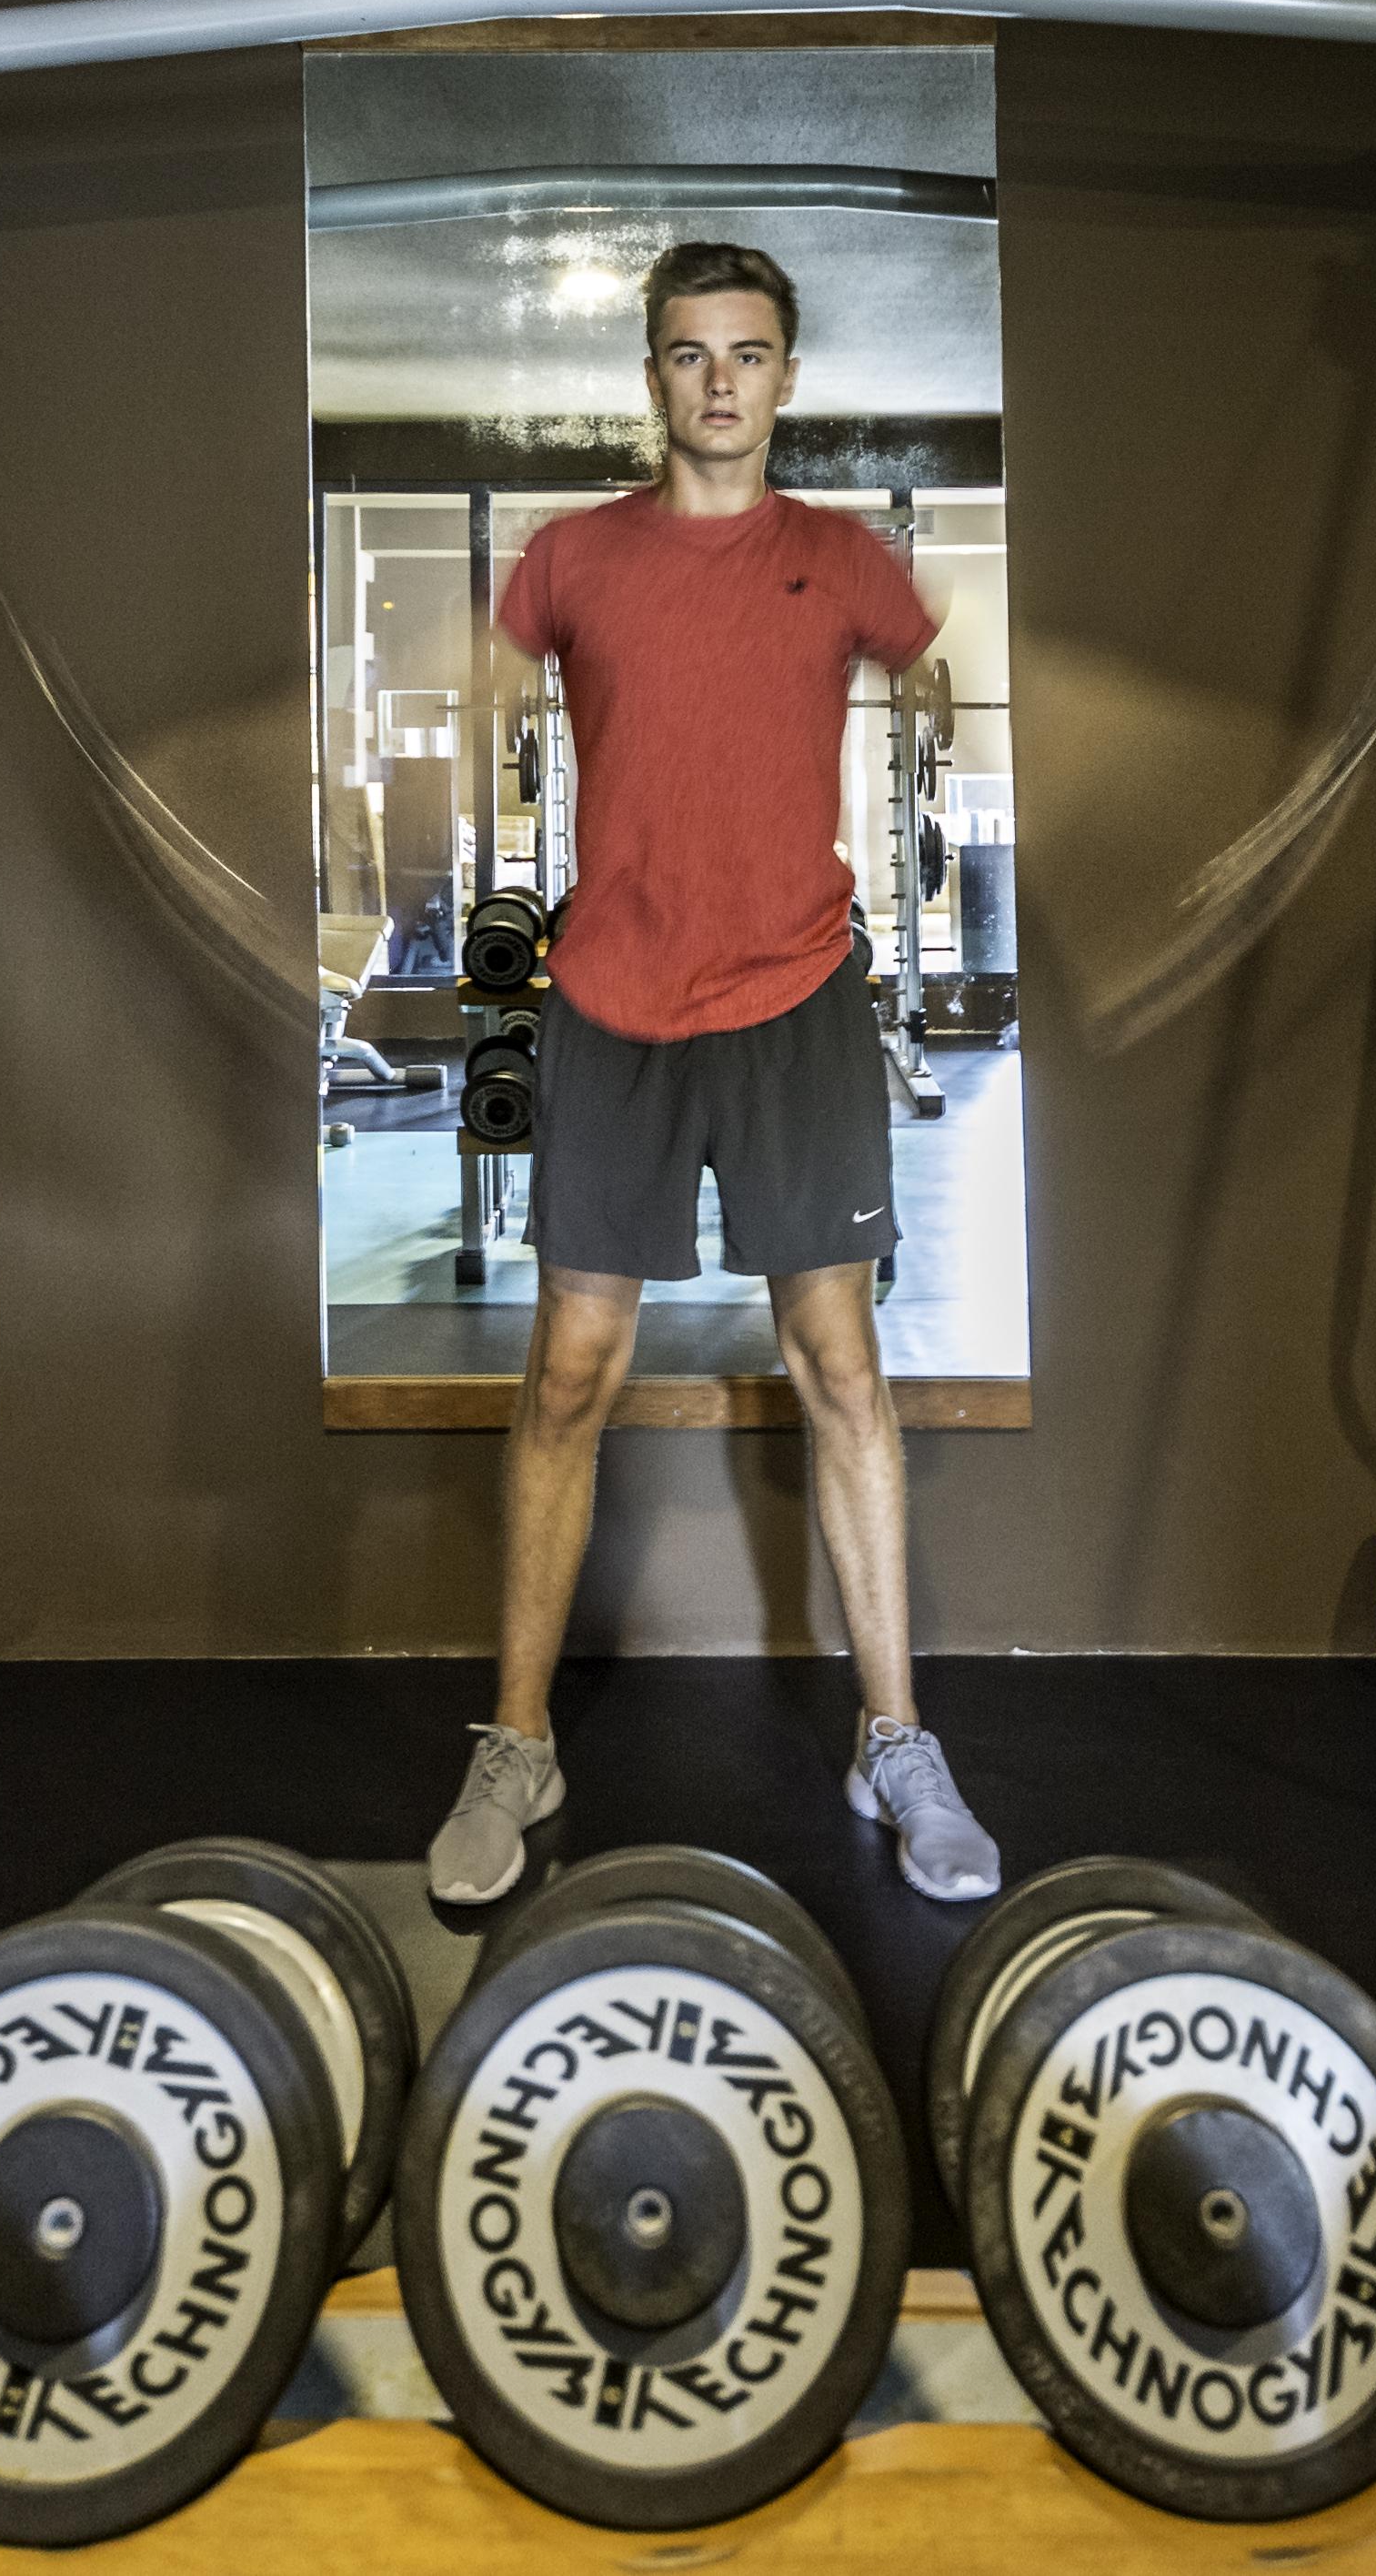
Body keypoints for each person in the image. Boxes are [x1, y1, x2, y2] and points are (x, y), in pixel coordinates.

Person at [426, 242, 1003, 1911]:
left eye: (747, 353)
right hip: (607, 1003)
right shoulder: (568, 558)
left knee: (836, 1358)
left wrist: (941, 714)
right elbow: (491, 683)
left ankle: (892, 1733)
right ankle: (517, 1736)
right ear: (654, 373)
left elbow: (928, 664)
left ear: (786, 376)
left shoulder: (836, 561)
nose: (719, 382)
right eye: (688, 354)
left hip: (795, 999)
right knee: (567, 1367)